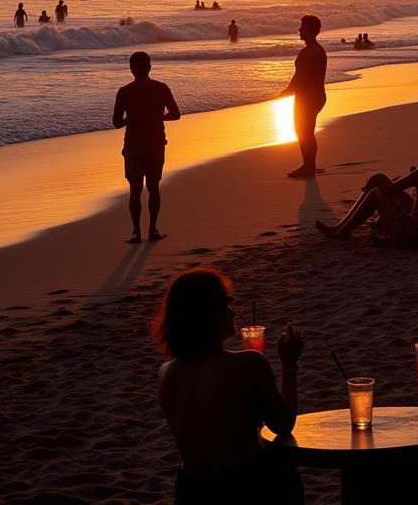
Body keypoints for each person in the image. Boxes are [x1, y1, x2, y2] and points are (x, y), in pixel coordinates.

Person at [156, 268, 304, 504]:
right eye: (226, 305)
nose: (233, 312)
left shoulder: (166, 373)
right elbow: (283, 424)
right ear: (208, 315)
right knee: (285, 469)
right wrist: (289, 364)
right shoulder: (248, 363)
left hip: (191, 489)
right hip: (245, 484)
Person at [316, 133, 418, 246]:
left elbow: (389, 192)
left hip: (414, 236)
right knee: (381, 179)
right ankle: (339, 227)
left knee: (375, 193)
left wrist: (378, 181)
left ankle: (341, 231)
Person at [112, 51, 181, 243]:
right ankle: (153, 229)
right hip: (156, 144)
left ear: (131, 69)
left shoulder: (124, 91)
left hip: (133, 146)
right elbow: (176, 114)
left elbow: (116, 122)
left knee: (135, 189)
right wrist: (158, 117)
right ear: (149, 68)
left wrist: (131, 119)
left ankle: (136, 232)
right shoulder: (161, 88)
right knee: (153, 187)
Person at [278, 15, 327, 179]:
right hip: (318, 96)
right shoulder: (319, 49)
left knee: (303, 131)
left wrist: (288, 90)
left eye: (302, 27)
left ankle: (308, 166)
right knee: (307, 131)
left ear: (311, 30)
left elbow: (301, 76)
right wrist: (290, 89)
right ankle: (309, 164)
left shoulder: (308, 52)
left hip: (308, 97)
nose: (299, 30)